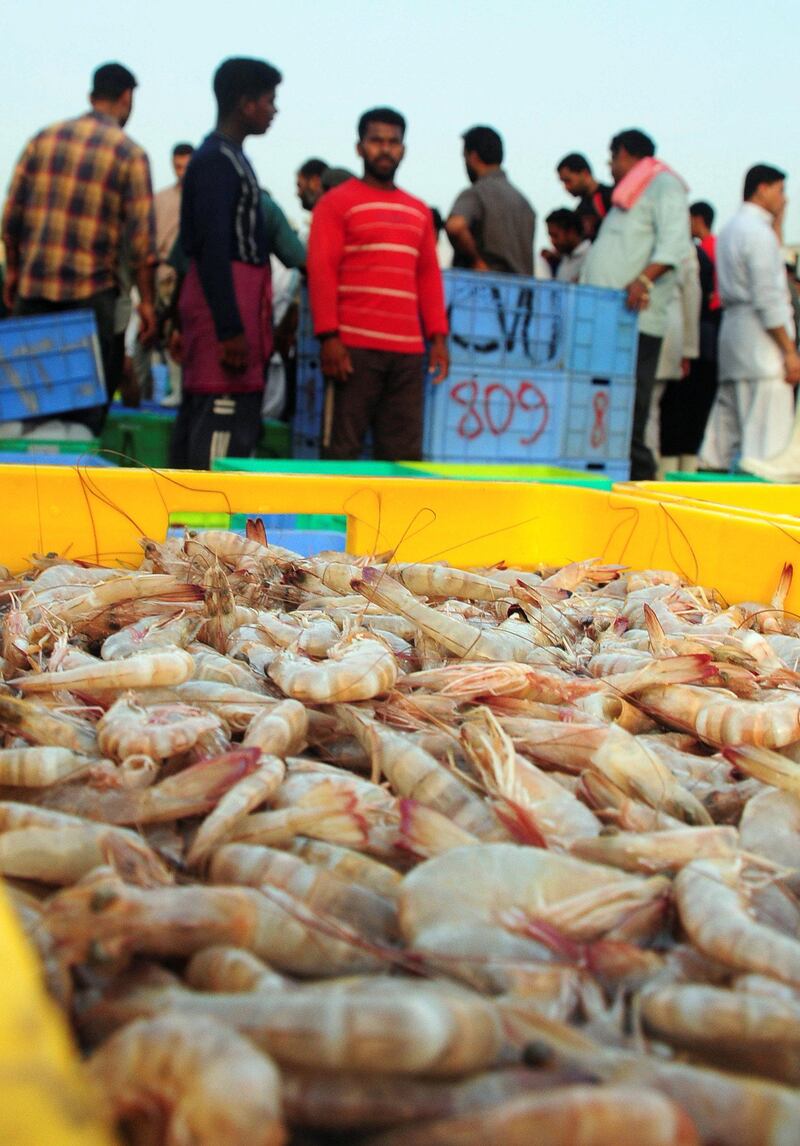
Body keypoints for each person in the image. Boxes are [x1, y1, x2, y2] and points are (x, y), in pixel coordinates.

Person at [1, 62, 156, 431]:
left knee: (25, 409)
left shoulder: (44, 138)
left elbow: (11, 217)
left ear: (91, 97)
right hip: (90, 301)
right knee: (82, 419)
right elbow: (141, 244)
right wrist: (147, 302)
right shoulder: (129, 153)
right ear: (127, 97)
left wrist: (15, 274)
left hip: (34, 296)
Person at [307, 106, 448, 460]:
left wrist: (438, 338)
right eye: (376, 141)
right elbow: (321, 270)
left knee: (403, 458)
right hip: (352, 352)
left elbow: (428, 276)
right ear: (359, 148)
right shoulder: (335, 204)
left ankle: (395, 521)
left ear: (404, 149)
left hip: (407, 355)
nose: (385, 149)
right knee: (342, 452)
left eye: (393, 142)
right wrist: (329, 338)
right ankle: (336, 520)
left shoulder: (419, 212)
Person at [169, 56, 281, 469]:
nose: (274, 110)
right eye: (270, 100)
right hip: (225, 323)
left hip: (227, 312)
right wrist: (231, 330)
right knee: (219, 433)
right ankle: (206, 530)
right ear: (245, 103)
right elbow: (211, 247)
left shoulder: (227, 158)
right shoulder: (218, 161)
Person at [580, 128, 691, 480]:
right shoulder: (630, 193)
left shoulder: (664, 185)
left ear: (625, 153)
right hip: (607, 319)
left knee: (629, 414)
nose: (611, 167)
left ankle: (643, 487)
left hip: (636, 321)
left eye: (613, 158)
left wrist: (643, 279)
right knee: (604, 410)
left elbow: (674, 246)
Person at [700, 164, 800, 475]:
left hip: (735, 333)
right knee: (765, 445)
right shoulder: (757, 233)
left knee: (725, 426)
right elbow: (768, 296)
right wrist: (788, 350)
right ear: (762, 188)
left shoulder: (732, 228)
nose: (784, 198)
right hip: (762, 342)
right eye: (780, 190)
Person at [445, 126, 535, 275]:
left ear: (473, 157)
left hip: (484, 290)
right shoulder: (524, 203)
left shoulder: (476, 193)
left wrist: (477, 262)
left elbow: (456, 226)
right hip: (520, 293)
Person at [556, 153, 613, 240]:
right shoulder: (579, 211)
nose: (566, 187)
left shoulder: (611, 197)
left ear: (585, 173)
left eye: (568, 181)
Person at [541, 208, 590, 282]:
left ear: (571, 232)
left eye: (555, 236)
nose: (552, 241)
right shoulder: (564, 258)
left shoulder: (590, 257)